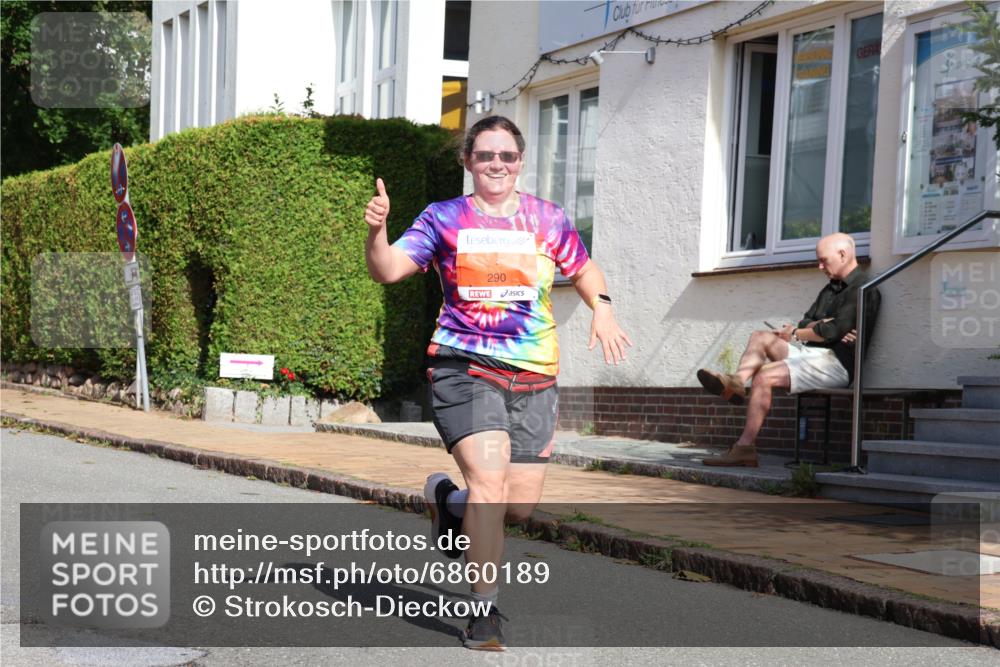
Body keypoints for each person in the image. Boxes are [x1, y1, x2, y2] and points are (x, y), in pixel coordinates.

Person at [363, 115, 631, 650]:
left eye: (507, 157)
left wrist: (602, 308)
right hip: (464, 366)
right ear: (468, 161)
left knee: (517, 505)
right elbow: (388, 269)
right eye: (486, 156)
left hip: (535, 373)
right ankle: (483, 612)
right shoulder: (444, 217)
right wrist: (376, 231)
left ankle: (448, 503)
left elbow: (584, 270)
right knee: (490, 485)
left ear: (521, 161)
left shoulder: (547, 218)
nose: (497, 165)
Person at [696, 233, 880, 467]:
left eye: (824, 260)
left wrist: (807, 331)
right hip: (811, 355)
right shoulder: (830, 289)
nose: (819, 266)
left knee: (764, 375)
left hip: (837, 364)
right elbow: (807, 323)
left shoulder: (864, 289)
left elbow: (830, 331)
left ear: (843, 254)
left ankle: (744, 448)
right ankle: (737, 382)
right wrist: (816, 328)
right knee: (760, 337)